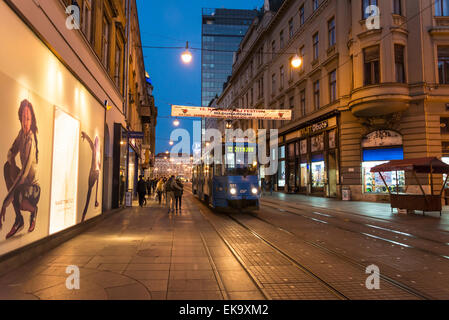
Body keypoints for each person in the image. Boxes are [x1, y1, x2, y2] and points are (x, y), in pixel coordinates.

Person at [1, 100, 41, 239]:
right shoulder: (21, 135)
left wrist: (5, 203)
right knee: (7, 168)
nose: (25, 122)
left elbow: (24, 174)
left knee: (18, 194)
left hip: (33, 188)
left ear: (32, 120)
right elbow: (11, 151)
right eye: (23, 118)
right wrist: (11, 161)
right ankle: (19, 220)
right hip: (23, 184)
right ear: (20, 118)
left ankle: (33, 210)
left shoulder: (31, 140)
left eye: (28, 118)